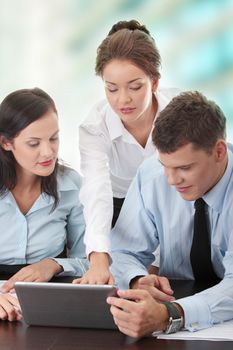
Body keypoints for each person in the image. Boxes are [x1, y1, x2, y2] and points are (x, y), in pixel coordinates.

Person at [107, 91, 233, 338]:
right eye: (165, 165)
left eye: (184, 168)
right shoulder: (152, 174)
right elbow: (123, 251)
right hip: (175, 305)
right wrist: (136, 279)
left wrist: (170, 314)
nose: (172, 180)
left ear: (219, 152)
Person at [74, 19, 180, 284]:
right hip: (118, 208)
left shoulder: (181, 112)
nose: (123, 99)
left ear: (154, 82)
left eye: (135, 87)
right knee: (122, 275)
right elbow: (96, 192)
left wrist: (155, 266)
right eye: (111, 88)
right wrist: (99, 261)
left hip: (175, 201)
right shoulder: (95, 127)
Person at [0, 88, 88, 321]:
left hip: (50, 306)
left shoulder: (71, 185)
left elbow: (90, 262)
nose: (48, 152)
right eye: (33, 143)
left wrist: (53, 265)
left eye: (54, 138)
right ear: (6, 143)